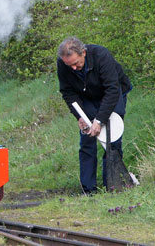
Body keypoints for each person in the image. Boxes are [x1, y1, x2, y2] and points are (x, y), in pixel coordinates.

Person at [56, 37, 132, 194]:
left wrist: (100, 120)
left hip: (113, 92)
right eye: (69, 66)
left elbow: (112, 89)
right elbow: (68, 92)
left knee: (112, 139)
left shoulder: (101, 55)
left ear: (83, 53)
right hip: (86, 97)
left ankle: (112, 185)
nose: (74, 68)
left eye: (76, 63)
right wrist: (80, 117)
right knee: (87, 138)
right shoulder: (64, 64)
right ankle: (88, 190)